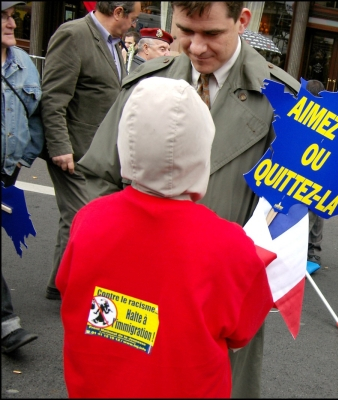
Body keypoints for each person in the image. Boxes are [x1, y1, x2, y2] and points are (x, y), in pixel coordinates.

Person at [77, 2, 300, 397]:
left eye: (211, 34)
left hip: (218, 300)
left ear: (242, 21)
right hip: (135, 289)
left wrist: (240, 278)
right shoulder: (146, 85)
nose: (195, 47)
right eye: (184, 31)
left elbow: (290, 214)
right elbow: (100, 174)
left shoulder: (282, 102)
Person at [57, 77, 273, 397]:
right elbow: (242, 331)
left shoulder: (88, 220)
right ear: (202, 151)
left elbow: (67, 288)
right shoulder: (230, 245)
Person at [40, 1, 142, 301]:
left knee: (75, 219)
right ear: (119, 12)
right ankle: (76, 289)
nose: (134, 25)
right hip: (73, 151)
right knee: (84, 219)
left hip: (97, 153)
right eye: (133, 18)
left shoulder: (115, 45)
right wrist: (60, 148)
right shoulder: (74, 34)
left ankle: (60, 284)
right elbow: (54, 97)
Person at [1, 0, 42, 354]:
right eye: (3, 16)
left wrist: (20, 161)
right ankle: (7, 325)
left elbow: (36, 117)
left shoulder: (24, 63)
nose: (12, 23)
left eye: (11, 16)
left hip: (6, 173)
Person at [306, 79, 326, 266]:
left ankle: (308, 249)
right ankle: (313, 250)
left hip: (309, 169)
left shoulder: (301, 111)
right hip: (321, 172)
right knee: (316, 209)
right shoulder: (329, 116)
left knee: (311, 210)